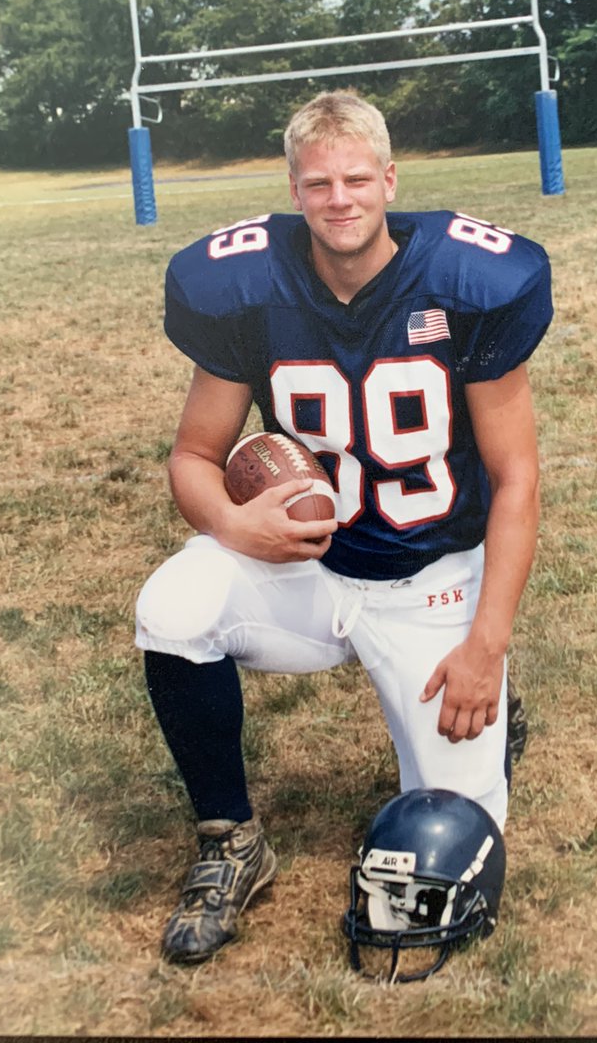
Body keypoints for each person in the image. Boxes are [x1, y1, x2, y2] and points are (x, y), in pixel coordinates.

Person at [134, 90, 553, 965]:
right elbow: (190, 456)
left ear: (390, 180)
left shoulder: (467, 285)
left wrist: (487, 642)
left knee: (456, 830)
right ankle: (230, 840)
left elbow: (516, 480)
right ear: (294, 189)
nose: (340, 199)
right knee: (174, 604)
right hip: (309, 571)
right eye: (319, 182)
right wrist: (230, 525)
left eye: (358, 179)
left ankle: (494, 699)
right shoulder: (246, 292)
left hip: (429, 573)